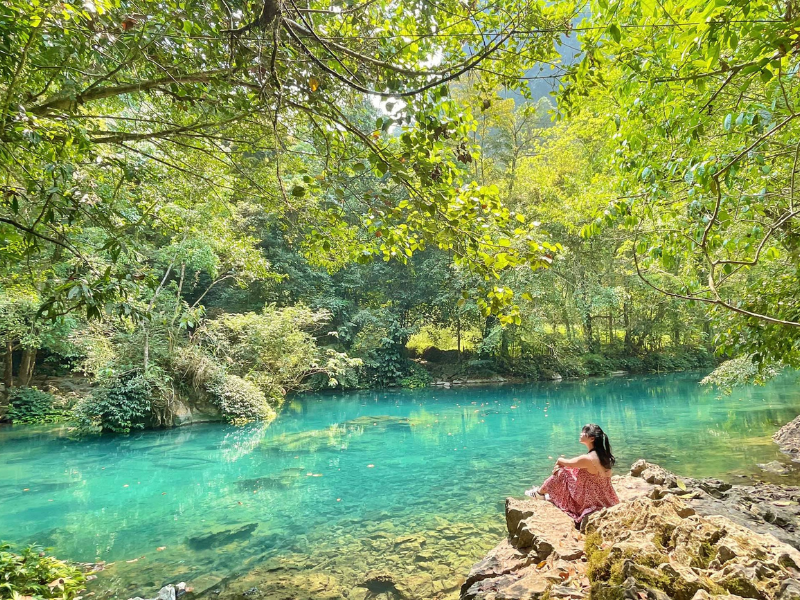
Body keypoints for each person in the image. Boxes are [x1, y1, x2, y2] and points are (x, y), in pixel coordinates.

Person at [525, 423, 620, 528]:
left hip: (589, 500)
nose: (581, 434)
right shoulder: (604, 456)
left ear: (591, 438)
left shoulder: (587, 458)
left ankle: (540, 493)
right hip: (605, 497)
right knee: (571, 469)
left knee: (562, 472)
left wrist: (558, 464)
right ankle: (545, 493)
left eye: (584, 432)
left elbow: (564, 461)